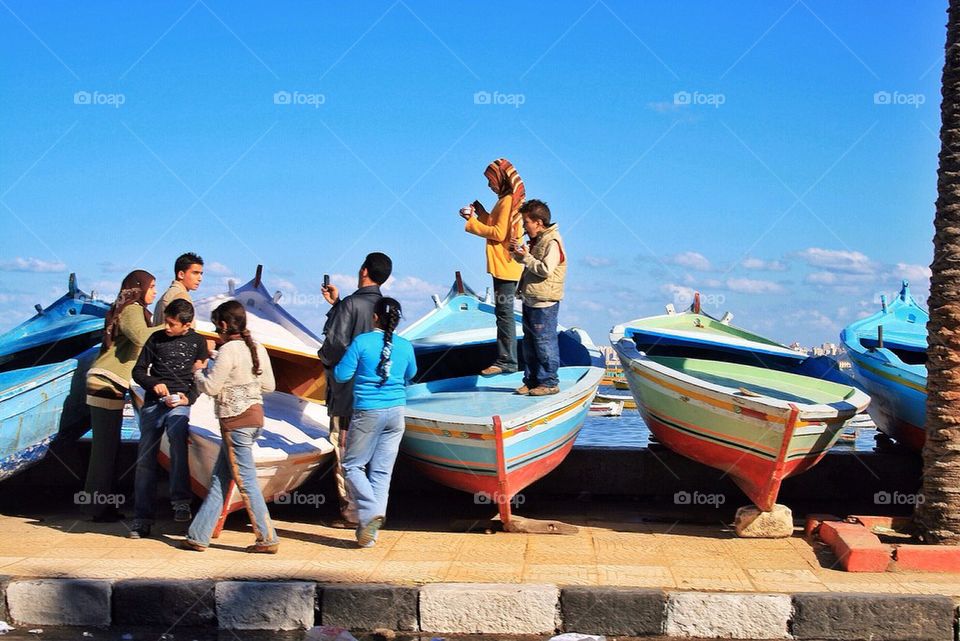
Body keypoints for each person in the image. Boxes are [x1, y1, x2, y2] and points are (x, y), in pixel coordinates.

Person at [181, 300, 277, 553]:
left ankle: (267, 538)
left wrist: (198, 371)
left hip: (235, 423)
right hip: (255, 419)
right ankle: (198, 535)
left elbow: (211, 388)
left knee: (246, 482)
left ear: (223, 325)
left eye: (216, 327)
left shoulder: (228, 351)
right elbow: (269, 386)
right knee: (220, 478)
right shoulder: (256, 347)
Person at [334, 297, 416, 547]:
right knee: (381, 473)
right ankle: (368, 537)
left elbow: (341, 375)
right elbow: (410, 375)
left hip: (368, 411)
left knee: (352, 466)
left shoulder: (362, 342)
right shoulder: (405, 345)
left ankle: (370, 513)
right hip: (396, 412)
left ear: (375, 317)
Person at [318, 252, 393, 527]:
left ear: (363, 271)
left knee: (346, 453)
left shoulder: (351, 304)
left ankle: (352, 513)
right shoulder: (385, 307)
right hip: (379, 396)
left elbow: (335, 345)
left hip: (347, 394)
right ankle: (374, 509)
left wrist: (322, 357)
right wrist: (336, 304)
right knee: (373, 457)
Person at [129, 299, 209, 538]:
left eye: (172, 324)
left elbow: (201, 376)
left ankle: (181, 502)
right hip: (155, 403)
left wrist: (189, 399)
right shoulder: (155, 339)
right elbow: (138, 370)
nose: (167, 327)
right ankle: (142, 518)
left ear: (186, 325)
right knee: (145, 459)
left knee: (178, 442)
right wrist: (155, 384)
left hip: (179, 403)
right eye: (166, 321)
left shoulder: (197, 342)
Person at [84, 270, 159, 522]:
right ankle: (96, 508)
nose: (155, 292)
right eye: (152, 287)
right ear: (140, 287)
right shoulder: (133, 309)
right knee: (104, 452)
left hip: (106, 382)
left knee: (108, 449)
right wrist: (172, 326)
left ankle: (101, 506)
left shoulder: (130, 308)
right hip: (106, 382)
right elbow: (142, 336)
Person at [461, 158, 525, 376]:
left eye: (490, 180)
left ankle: (507, 361)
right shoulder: (503, 201)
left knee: (504, 313)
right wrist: (480, 213)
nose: (489, 185)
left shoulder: (506, 200)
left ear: (500, 178)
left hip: (506, 265)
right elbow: (498, 225)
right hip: (504, 265)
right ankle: (507, 359)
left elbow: (499, 233)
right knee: (503, 312)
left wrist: (471, 222)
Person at [510, 199, 566, 396]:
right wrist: (518, 254)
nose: (524, 227)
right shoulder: (538, 241)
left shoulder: (552, 242)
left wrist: (526, 257)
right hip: (531, 300)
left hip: (544, 303)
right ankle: (532, 381)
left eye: (526, 222)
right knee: (530, 344)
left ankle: (549, 382)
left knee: (544, 343)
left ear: (538, 222)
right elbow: (531, 264)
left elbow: (545, 270)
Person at [153, 252, 204, 326]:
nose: (200, 278)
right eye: (195, 273)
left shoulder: (168, 294)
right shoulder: (181, 295)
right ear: (181, 274)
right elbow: (185, 331)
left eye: (201, 274)